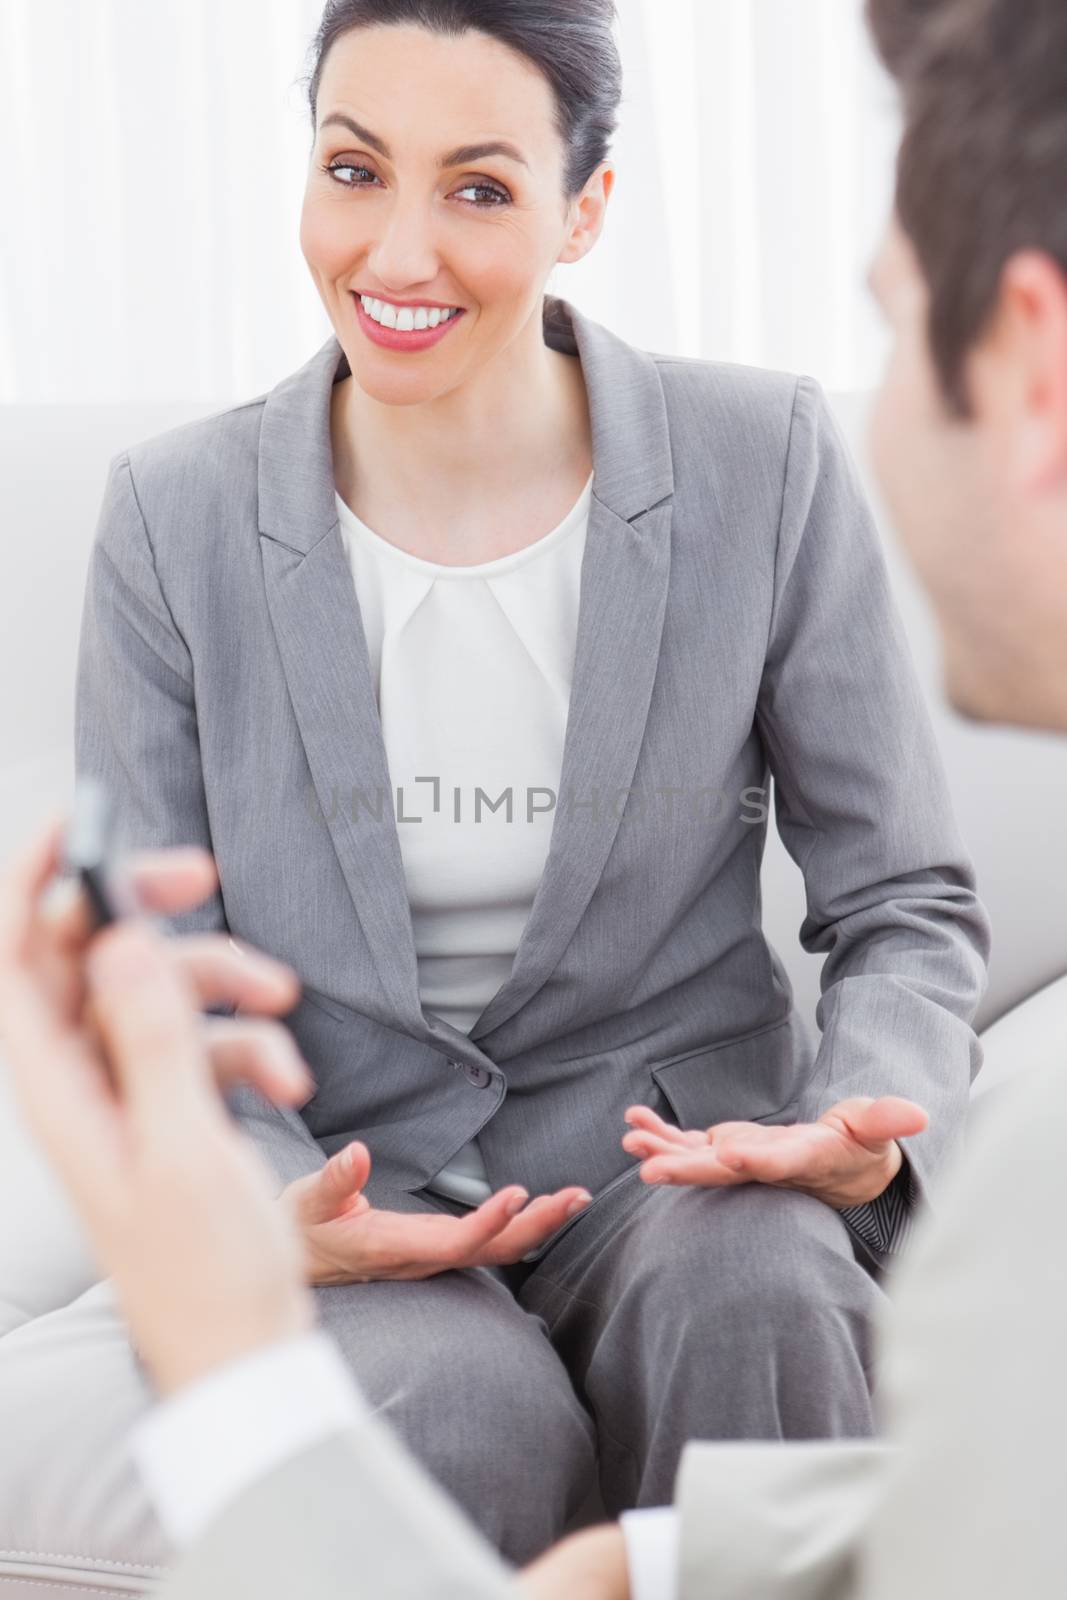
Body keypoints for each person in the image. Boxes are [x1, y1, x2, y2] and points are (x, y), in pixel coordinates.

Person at [0, 0, 989, 1586]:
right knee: (454, 1414)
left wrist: (853, 1126)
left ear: (583, 207)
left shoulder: (764, 461)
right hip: (359, 1192)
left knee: (765, 1295)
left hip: (684, 1163)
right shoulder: (173, 523)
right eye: (351, 168)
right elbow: (139, 960)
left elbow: (904, 902)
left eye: (477, 188)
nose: (395, 254)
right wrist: (267, 1204)